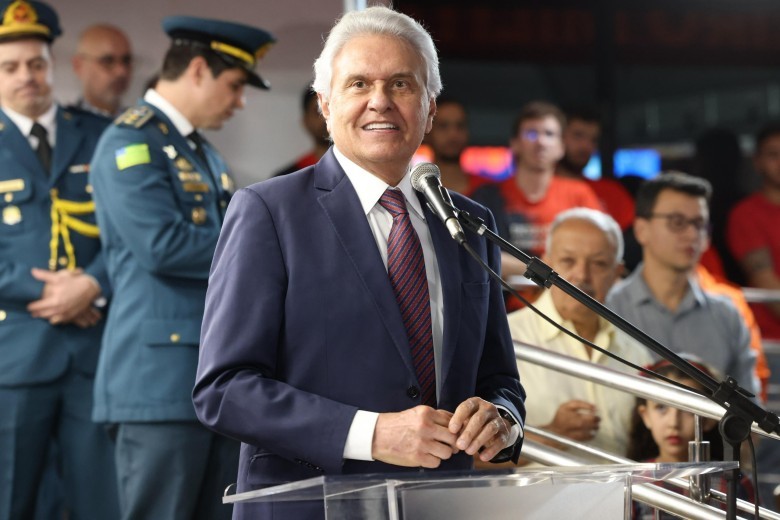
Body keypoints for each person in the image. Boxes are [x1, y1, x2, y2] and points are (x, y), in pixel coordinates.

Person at [192, 6, 526, 519]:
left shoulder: (469, 223)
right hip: (311, 505)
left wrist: (502, 418)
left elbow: (499, 378)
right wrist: (372, 434)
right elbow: (224, 391)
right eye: (359, 84)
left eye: (401, 84)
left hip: (441, 504)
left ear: (429, 108)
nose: (380, 101)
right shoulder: (268, 211)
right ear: (325, 105)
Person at [89, 15, 276, 520]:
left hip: (214, 376)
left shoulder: (202, 153)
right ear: (197, 70)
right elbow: (162, 245)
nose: (239, 102)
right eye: (234, 85)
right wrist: (267, 245)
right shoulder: (130, 141)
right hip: (158, 380)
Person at [0, 1, 118, 518]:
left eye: (36, 63)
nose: (26, 76)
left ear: (54, 65)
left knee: (101, 503)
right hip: (14, 356)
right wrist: (49, 293)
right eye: (10, 67)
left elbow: (127, 234)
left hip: (93, 352)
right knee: (11, 501)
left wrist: (91, 284)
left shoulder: (99, 135)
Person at [506, 208, 652, 461]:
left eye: (599, 264)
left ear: (617, 273)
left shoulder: (636, 352)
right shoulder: (506, 340)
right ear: (544, 265)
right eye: (568, 261)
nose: (582, 275)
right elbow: (467, 455)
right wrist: (551, 435)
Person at [606, 172, 759, 398]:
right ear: (641, 230)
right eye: (677, 222)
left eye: (699, 224)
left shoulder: (728, 315)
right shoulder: (607, 309)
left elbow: (750, 408)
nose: (691, 234)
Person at [471, 101, 601, 278]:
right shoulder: (488, 197)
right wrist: (551, 269)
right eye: (531, 133)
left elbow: (600, 252)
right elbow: (475, 255)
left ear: (561, 146)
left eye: (549, 134)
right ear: (515, 143)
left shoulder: (580, 195)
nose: (540, 142)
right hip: (505, 295)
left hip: (563, 296)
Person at [628, 358, 755, 519]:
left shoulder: (733, 481)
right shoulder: (634, 479)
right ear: (645, 415)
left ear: (709, 418)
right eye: (661, 407)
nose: (674, 422)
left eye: (687, 409)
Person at [727, 122, 780, 343]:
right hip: (771, 342)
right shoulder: (745, 214)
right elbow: (769, 288)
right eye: (773, 154)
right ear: (757, 162)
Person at [556, 106, 635, 232]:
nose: (586, 146)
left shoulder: (612, 193)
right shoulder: (536, 191)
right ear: (558, 136)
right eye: (578, 135)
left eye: (593, 140)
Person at [423, 97, 482, 195]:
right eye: (443, 126)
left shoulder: (487, 190)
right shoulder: (412, 192)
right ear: (427, 133)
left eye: (460, 126)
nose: (453, 134)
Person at [70, 24, 132, 117]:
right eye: (107, 61)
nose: (121, 71)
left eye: (126, 61)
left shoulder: (143, 123)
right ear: (78, 66)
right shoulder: (61, 123)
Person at [272, 85, 329, 176]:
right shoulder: (287, 178)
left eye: (332, 110)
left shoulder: (354, 170)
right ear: (305, 121)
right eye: (318, 111)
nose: (325, 118)